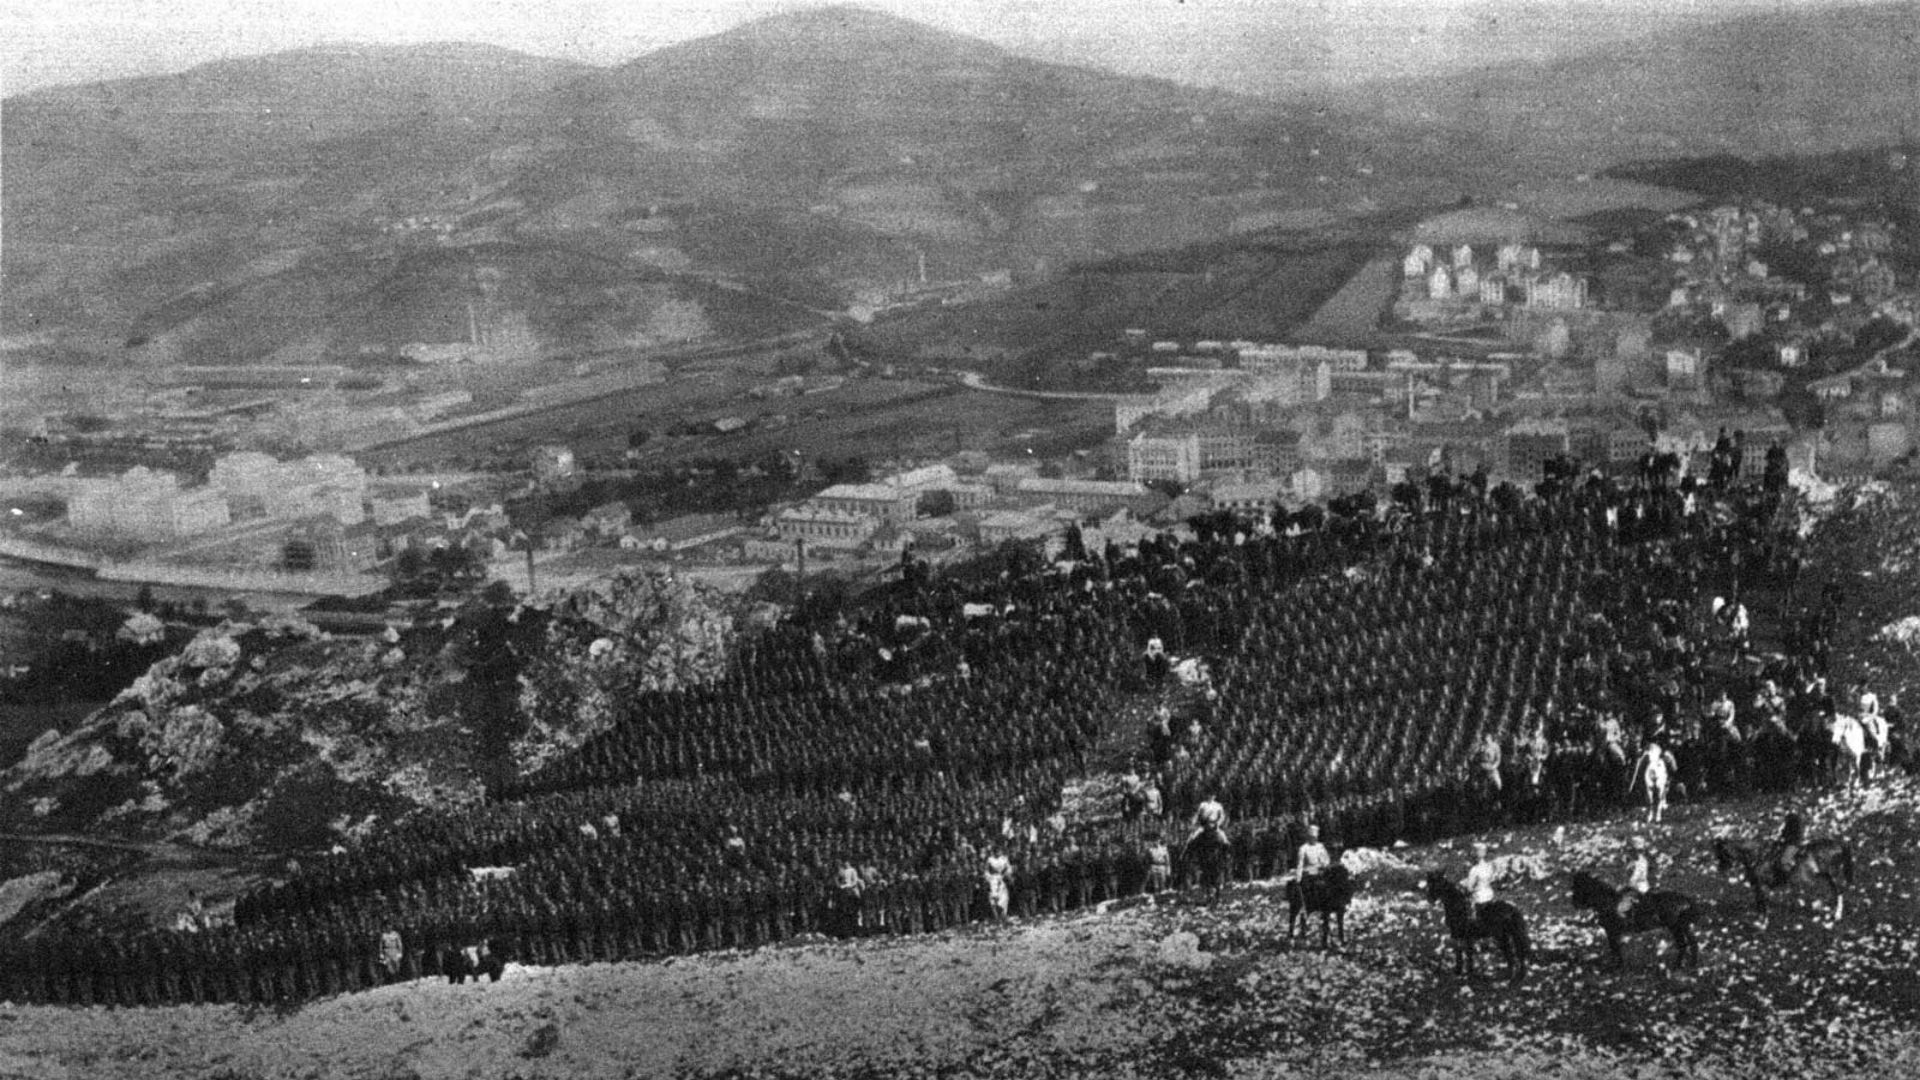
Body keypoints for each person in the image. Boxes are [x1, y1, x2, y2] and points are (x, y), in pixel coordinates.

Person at [1616, 836, 1653, 918]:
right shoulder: (1631, 861)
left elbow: (1637, 875)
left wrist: (1628, 884)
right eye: (1631, 850)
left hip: (1639, 886)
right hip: (1631, 885)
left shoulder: (1641, 861)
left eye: (1634, 851)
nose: (1631, 853)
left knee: (1626, 900)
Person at [1460, 841, 1497, 923]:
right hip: (1490, 895)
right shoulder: (1490, 866)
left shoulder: (1474, 870)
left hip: (1479, 898)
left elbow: (1469, 888)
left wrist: (1465, 886)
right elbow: (1492, 880)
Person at [1773, 811, 1805, 885]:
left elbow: (1787, 835)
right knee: (1784, 860)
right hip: (1793, 844)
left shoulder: (1794, 825)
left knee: (1784, 860)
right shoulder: (1795, 825)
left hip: (1793, 844)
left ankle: (1783, 876)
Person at [983, 850, 1012, 922]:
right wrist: (989, 877)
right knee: (993, 898)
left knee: (1004, 897)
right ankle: (996, 917)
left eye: (999, 851)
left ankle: (1003, 915)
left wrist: (1005, 875)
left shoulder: (1004, 859)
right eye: (996, 851)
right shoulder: (990, 859)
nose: (998, 853)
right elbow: (986, 870)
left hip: (1001, 879)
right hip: (993, 879)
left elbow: (1009, 868)